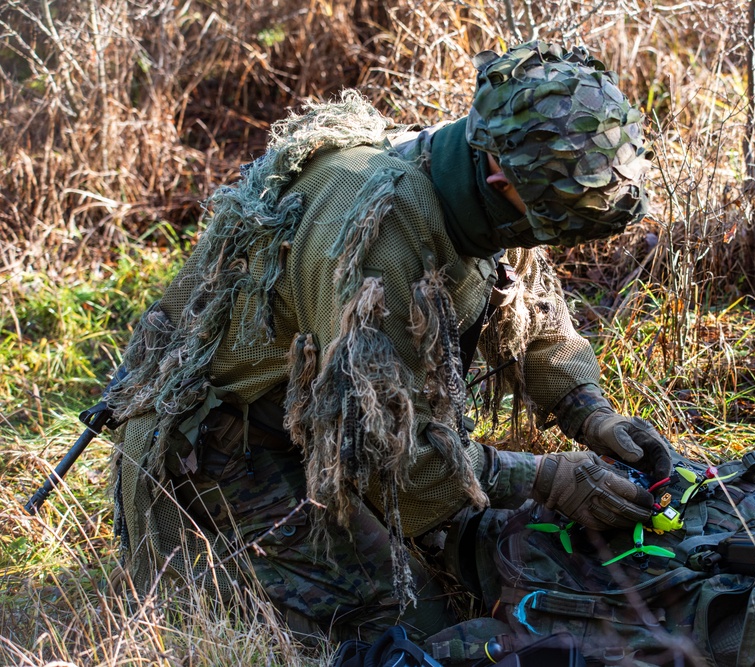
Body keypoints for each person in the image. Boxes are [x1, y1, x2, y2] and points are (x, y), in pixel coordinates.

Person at [108, 40, 671, 654]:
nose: (544, 237)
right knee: (406, 631)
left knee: (496, 560)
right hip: (225, 446)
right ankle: (220, 570)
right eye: (545, 219)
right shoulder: (381, 232)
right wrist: (546, 477)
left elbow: (532, 317)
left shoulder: (480, 174)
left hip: (321, 424)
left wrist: (591, 413)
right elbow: (385, 457)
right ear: (499, 176)